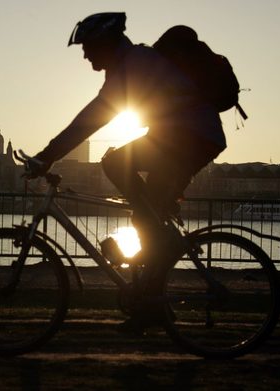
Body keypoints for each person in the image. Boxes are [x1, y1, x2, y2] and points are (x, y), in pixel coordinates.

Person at [31, 12, 227, 325]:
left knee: (116, 165)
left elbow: (92, 118)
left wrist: (48, 155)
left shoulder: (134, 63)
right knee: (147, 218)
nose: (84, 54)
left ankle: (157, 272)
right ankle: (153, 304)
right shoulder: (132, 64)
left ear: (105, 43)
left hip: (191, 136)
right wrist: (49, 154)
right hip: (184, 136)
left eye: (88, 47)